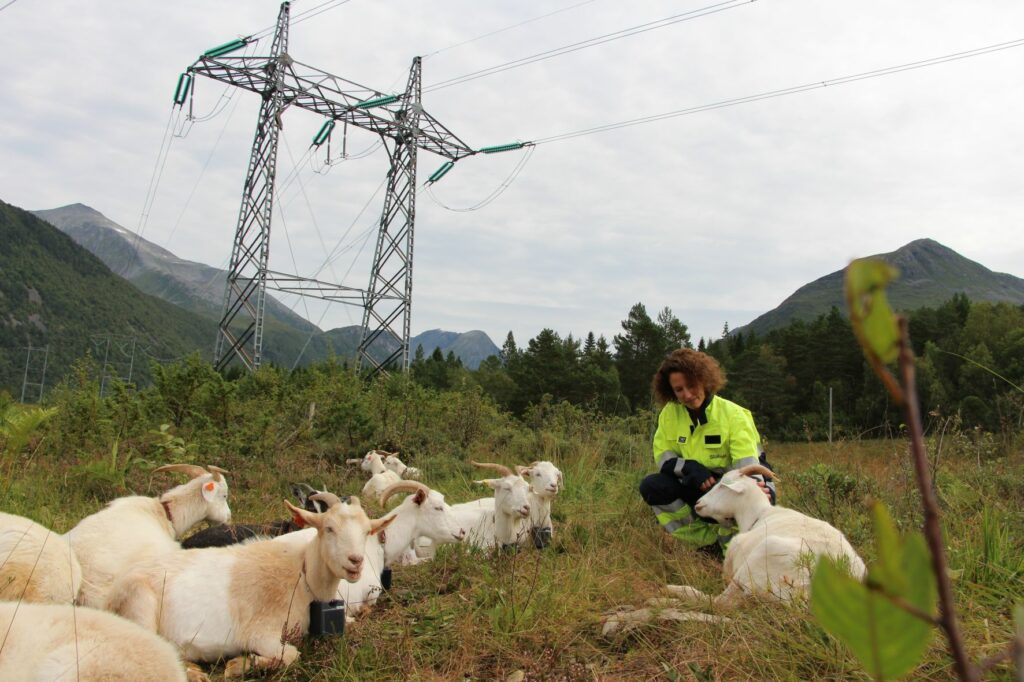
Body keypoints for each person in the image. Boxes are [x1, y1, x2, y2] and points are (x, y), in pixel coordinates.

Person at [638, 348, 775, 551]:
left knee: (752, 500)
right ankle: (703, 544)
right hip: (698, 484)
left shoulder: (734, 415)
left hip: (737, 483)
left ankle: (733, 548)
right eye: (679, 390)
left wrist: (755, 488)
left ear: (704, 379)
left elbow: (748, 467)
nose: (687, 395)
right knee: (652, 486)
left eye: (692, 385)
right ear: (670, 391)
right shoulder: (669, 414)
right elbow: (664, 457)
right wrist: (690, 468)